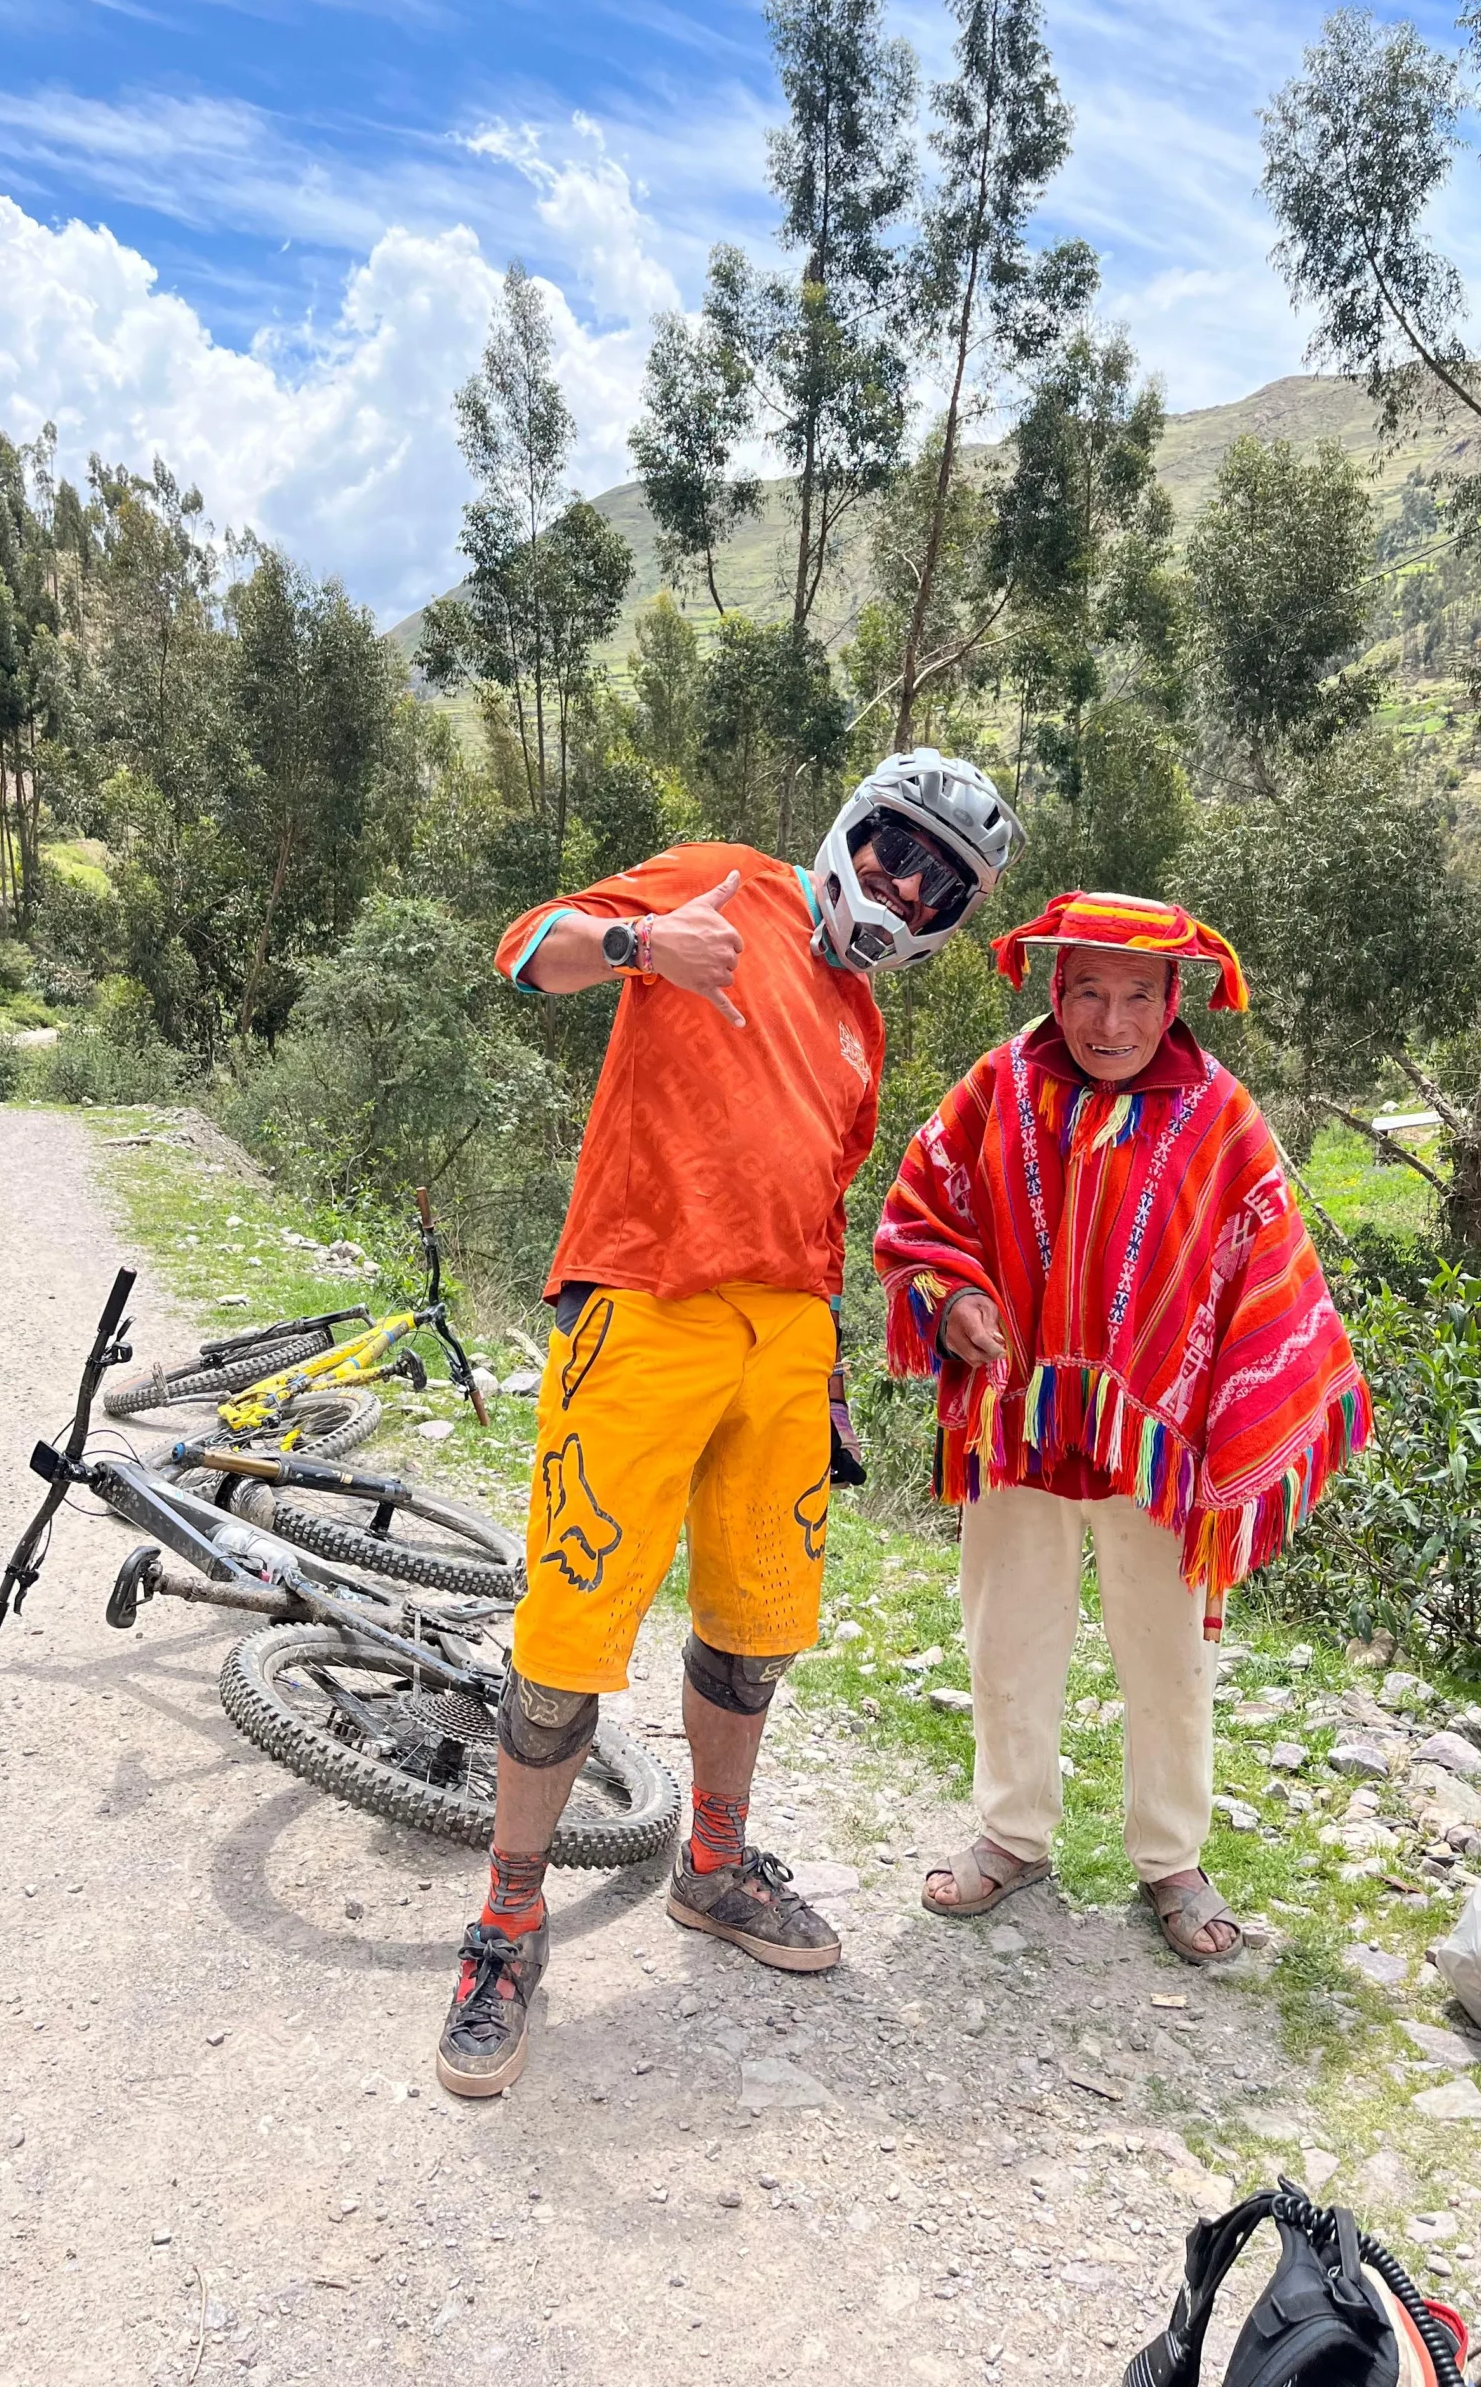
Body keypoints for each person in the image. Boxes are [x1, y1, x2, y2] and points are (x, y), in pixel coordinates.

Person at [436, 752, 1025, 2095]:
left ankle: (714, 1865)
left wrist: (821, 1373)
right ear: (852, 829)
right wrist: (641, 940)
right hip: (641, 1308)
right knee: (569, 1633)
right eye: (895, 847)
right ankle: (507, 1926)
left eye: (938, 883)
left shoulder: (862, 1024)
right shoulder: (721, 884)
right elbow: (525, 948)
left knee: (754, 1627)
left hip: (782, 1343)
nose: (903, 883)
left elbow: (824, 1204)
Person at [873, 891, 1368, 1964]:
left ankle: (1172, 1858)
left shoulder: (1219, 1113)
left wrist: (1237, 1415)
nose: (1111, 1022)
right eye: (1088, 992)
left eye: (1136, 996)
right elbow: (920, 1210)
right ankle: (1012, 1833)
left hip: (1162, 1443)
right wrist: (951, 1299)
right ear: (1057, 991)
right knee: (1008, 1630)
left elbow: (1266, 1262)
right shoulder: (997, 1087)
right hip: (1021, 1418)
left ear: (1171, 1000)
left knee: (1169, 1654)